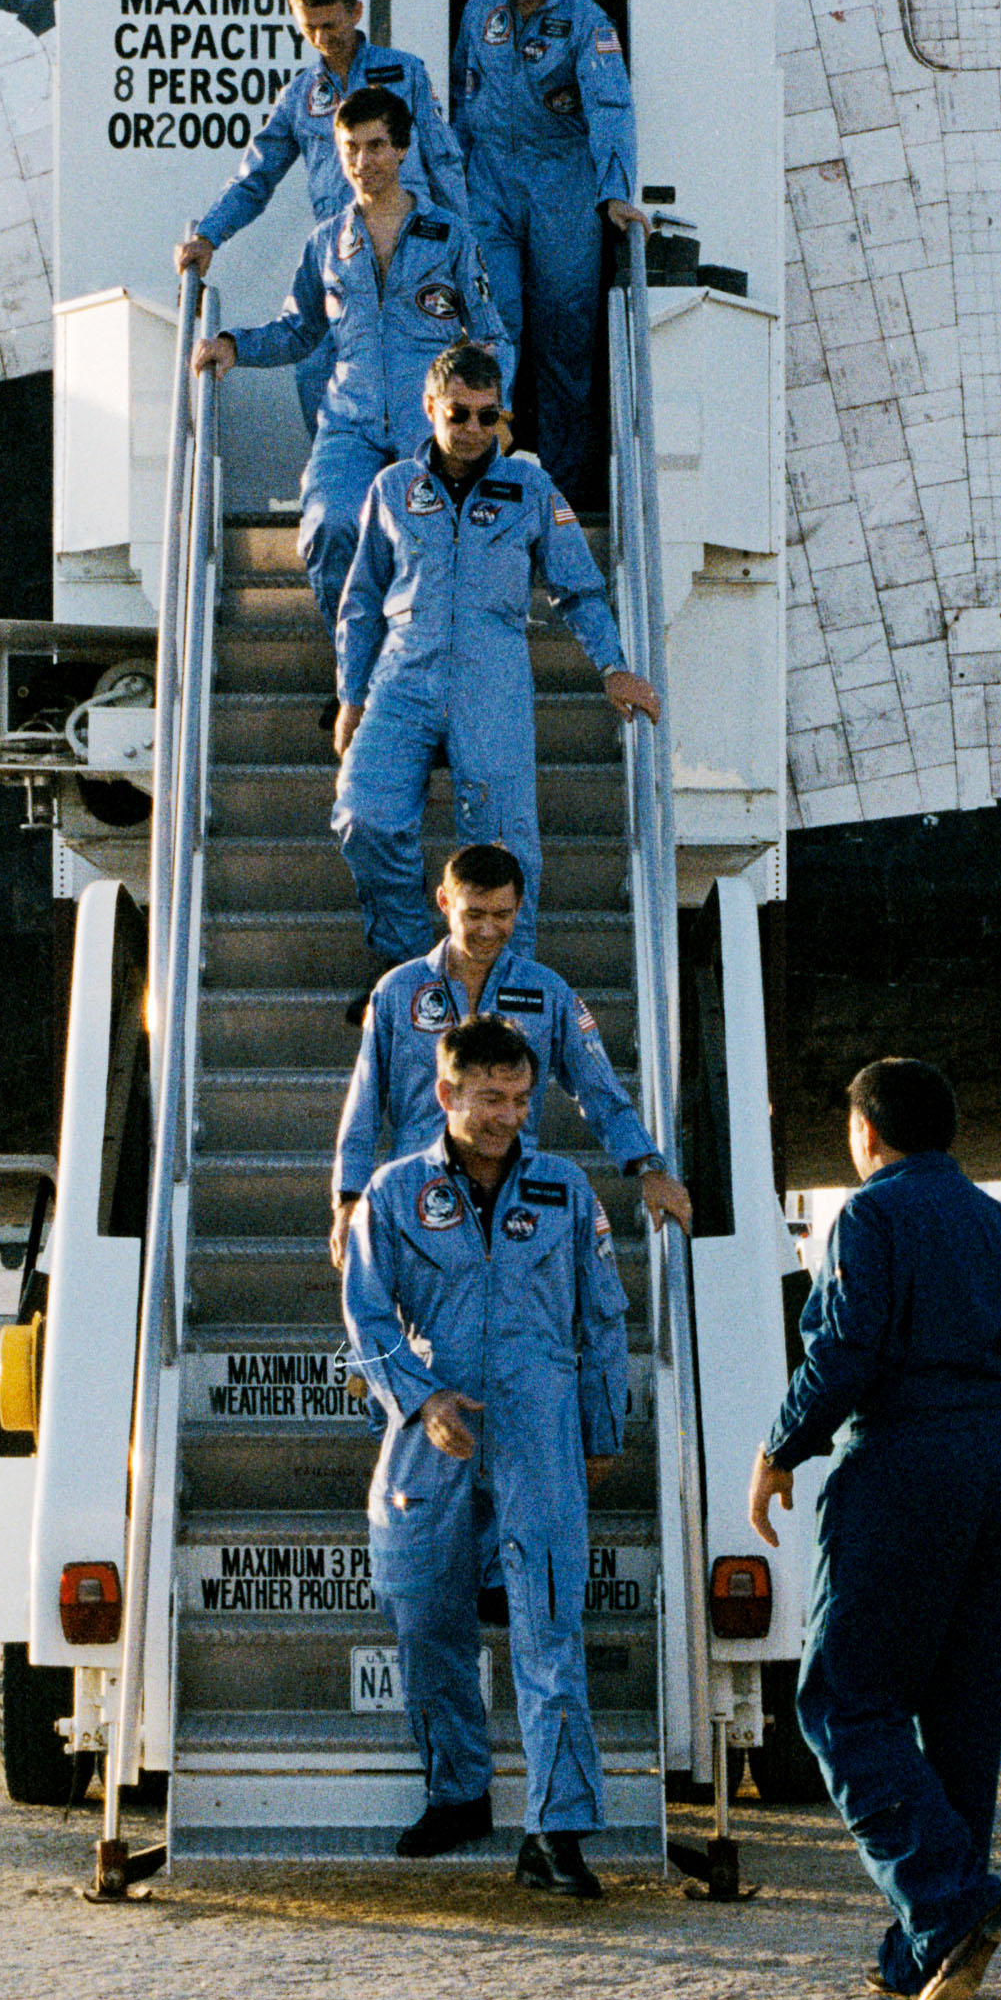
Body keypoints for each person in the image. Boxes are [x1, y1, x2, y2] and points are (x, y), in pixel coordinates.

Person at [749, 1056, 1001, 2000]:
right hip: (996, 1467)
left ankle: (950, 1900)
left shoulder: (869, 1217)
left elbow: (844, 1346)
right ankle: (920, 1946)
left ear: (866, 1133)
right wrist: (988, 1455)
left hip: (900, 1460)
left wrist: (781, 1448)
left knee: (845, 1702)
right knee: (963, 1718)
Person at [341, 1014, 629, 1897]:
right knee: (427, 1622)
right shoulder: (392, 1194)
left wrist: (602, 1430)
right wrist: (420, 1400)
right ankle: (458, 1791)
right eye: (489, 1098)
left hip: (540, 1432)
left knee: (548, 1627)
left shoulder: (567, 1191)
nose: (507, 1115)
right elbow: (365, 1315)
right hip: (434, 1432)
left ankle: (557, 1829)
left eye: (519, 1097)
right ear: (446, 1093)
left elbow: (603, 1315)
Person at [330, 344, 658, 974]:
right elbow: (362, 598)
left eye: (489, 416)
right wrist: (351, 696)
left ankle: (503, 991)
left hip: (492, 678)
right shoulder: (393, 488)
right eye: (459, 414)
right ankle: (409, 970)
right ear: (431, 408)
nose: (474, 430)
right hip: (403, 675)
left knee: (505, 848)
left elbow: (579, 587)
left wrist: (613, 666)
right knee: (363, 815)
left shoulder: (532, 489)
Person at [197, 86, 496, 638]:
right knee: (330, 526)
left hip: (426, 427)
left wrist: (484, 418)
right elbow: (298, 330)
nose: (363, 162)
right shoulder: (326, 243)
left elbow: (490, 337)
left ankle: (410, 676)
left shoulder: (449, 236)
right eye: (350, 148)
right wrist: (233, 345)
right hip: (349, 424)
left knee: (428, 543)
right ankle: (356, 673)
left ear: (403, 149)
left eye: (377, 146)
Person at [331, 840, 692, 1264]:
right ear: (445, 902)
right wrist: (348, 1198)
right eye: (474, 915)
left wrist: (648, 1167)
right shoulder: (396, 991)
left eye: (502, 915)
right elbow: (365, 1101)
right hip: (418, 1199)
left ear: (520, 907)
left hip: (511, 1204)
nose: (487, 930)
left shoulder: (547, 993)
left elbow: (599, 1091)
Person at [173, 0, 465, 441]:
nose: (321, 37)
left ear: (356, 12)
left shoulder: (405, 72)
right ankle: (342, 480)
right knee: (313, 372)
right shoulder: (300, 95)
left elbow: (444, 162)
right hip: (342, 259)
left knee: (421, 382)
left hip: (411, 255)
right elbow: (256, 176)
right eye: (308, 26)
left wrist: (459, 243)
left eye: (330, 24)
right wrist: (209, 234)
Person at [454, 0, 640, 512]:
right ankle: (484, 481)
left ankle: (562, 494)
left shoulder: (589, 24)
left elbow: (612, 107)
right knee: (490, 330)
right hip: (489, 183)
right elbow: (459, 96)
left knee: (562, 344)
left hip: (562, 184)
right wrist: (449, 188)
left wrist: (614, 191)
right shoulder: (481, 9)